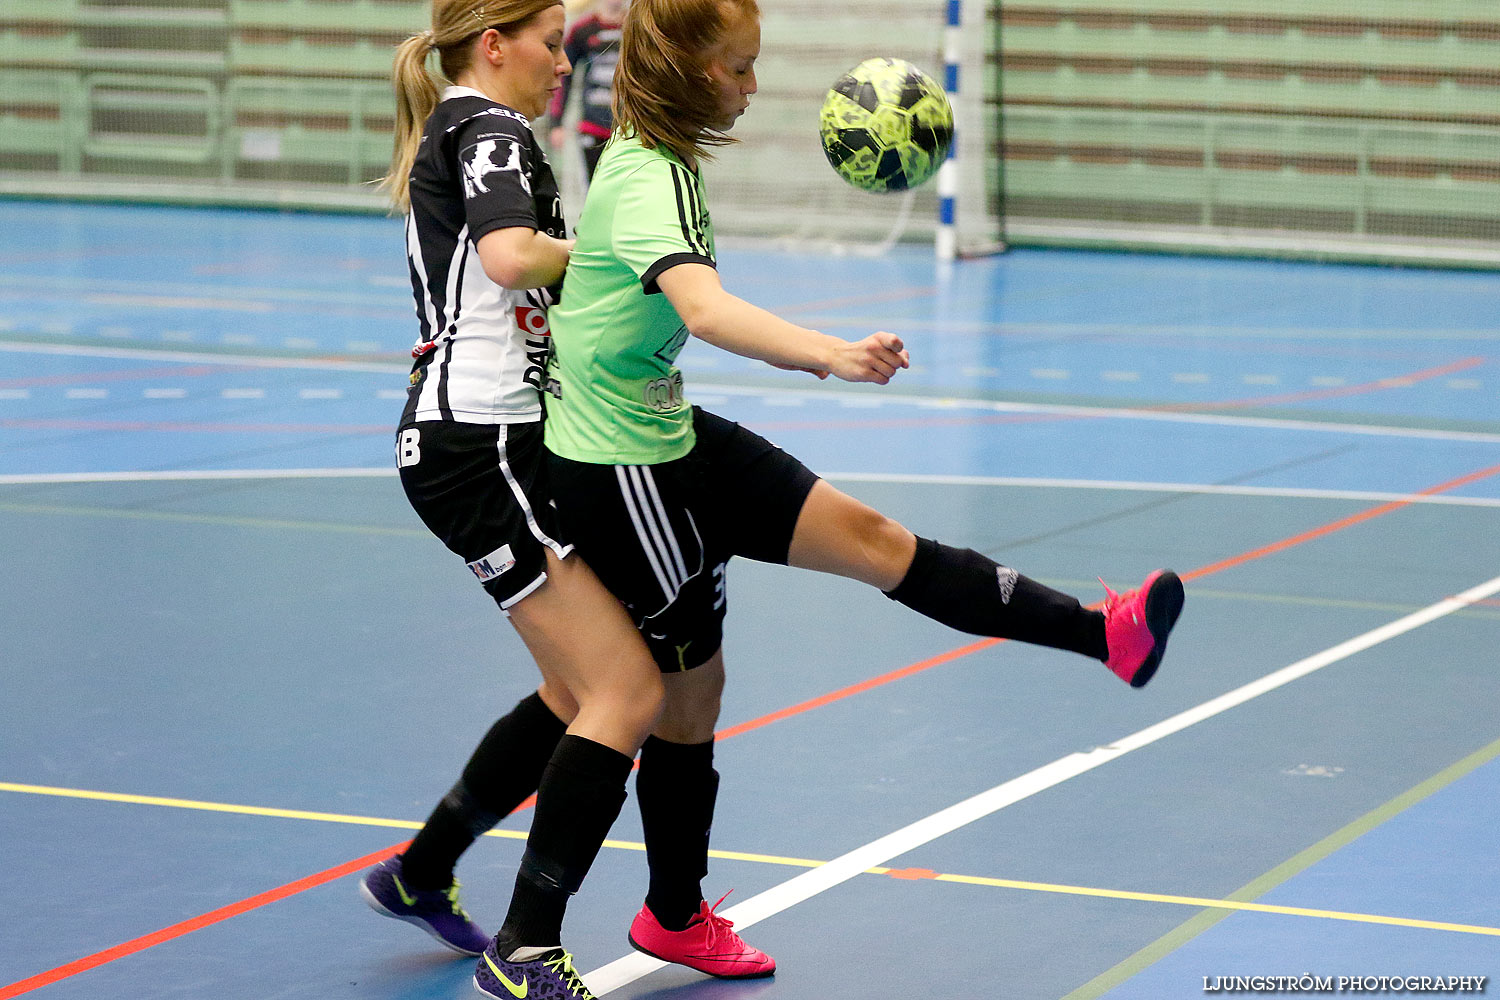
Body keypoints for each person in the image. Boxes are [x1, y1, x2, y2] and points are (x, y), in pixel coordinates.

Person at [540, 0, 1187, 981]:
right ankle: (633, 916)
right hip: (617, 467)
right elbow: (703, 307)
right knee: (679, 696)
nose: (755, 88)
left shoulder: (664, 159)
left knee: (877, 542)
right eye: (741, 69)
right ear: (687, 70)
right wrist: (828, 354)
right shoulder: (645, 178)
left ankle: (1109, 632)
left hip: (669, 432)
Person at [356, 4, 665, 998]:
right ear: (495, 46)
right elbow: (510, 258)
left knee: (580, 691)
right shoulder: (489, 128)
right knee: (629, 690)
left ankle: (418, 871)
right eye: (550, 41)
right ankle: (526, 949)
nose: (562, 61)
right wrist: (624, 264)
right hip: (478, 443)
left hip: (485, 437)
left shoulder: (464, 128)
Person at [547, 0, 626, 181]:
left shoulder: (637, 26)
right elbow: (564, 76)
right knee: (596, 185)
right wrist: (556, 124)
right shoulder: (583, 29)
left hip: (629, 128)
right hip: (593, 127)